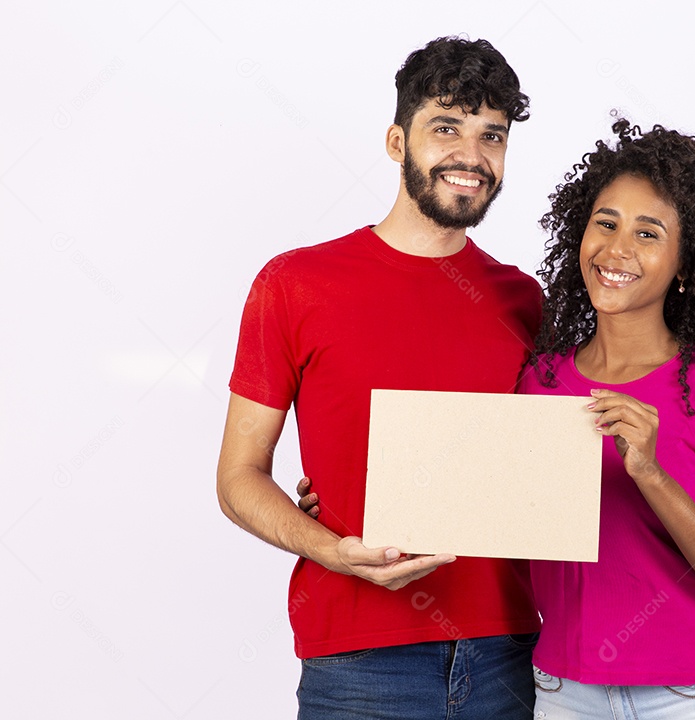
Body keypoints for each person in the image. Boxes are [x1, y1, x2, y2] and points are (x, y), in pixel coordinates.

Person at [216, 36, 542, 719]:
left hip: (509, 657)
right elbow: (238, 477)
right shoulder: (295, 284)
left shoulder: (524, 300)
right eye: (446, 127)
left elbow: (541, 470)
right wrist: (330, 549)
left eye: (493, 136)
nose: (472, 157)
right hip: (362, 662)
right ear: (397, 142)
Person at [519, 119, 695, 718]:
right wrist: (361, 498)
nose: (617, 250)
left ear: (684, 266)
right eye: (605, 223)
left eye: (648, 233)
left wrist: (654, 476)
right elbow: (495, 528)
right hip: (563, 695)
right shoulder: (540, 380)